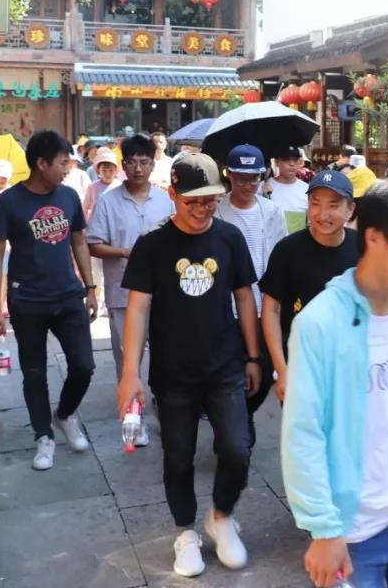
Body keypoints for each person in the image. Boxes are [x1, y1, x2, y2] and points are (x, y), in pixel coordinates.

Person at [282, 177, 388, 588]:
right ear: (375, 236)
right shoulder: (320, 322)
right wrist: (324, 529)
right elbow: (303, 432)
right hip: (355, 530)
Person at [116, 152, 264, 578]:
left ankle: (221, 516)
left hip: (226, 365)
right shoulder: (152, 244)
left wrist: (254, 356)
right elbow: (137, 308)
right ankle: (185, 532)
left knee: (237, 448)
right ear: (172, 194)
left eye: (210, 201)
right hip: (173, 372)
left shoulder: (229, 238)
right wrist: (130, 374)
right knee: (178, 456)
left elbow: (244, 298)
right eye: (192, 201)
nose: (202, 210)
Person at [0, 130, 98, 471]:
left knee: (84, 365)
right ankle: (43, 437)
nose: (67, 169)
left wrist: (90, 287)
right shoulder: (9, 202)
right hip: (27, 300)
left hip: (68, 295)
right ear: (41, 163)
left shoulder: (68, 196)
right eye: (62, 163)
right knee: (34, 373)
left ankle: (64, 414)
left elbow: (79, 242)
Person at [259, 170, 359, 402]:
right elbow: (271, 310)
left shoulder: (362, 248)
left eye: (333, 205)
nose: (322, 214)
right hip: (300, 365)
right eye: (315, 203)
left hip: (348, 368)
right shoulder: (287, 250)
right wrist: (281, 369)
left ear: (351, 209)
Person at [87, 134, 174, 391]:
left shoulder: (165, 201)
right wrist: (124, 252)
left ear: (153, 165)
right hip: (122, 292)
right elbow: (93, 244)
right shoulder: (108, 201)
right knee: (127, 358)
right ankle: (130, 404)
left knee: (167, 352)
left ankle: (163, 399)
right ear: (123, 165)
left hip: (162, 293)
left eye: (144, 162)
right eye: (132, 162)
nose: (138, 169)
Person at [216, 144, 288, 423]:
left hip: (265, 309)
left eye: (253, 178)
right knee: (233, 374)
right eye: (241, 178)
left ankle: (240, 422)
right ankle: (237, 429)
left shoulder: (272, 212)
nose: (247, 185)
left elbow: (281, 255)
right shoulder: (216, 211)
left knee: (264, 373)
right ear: (229, 175)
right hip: (228, 311)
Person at [265, 145, 309, 231]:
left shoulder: (307, 189)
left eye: (295, 159)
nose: (292, 164)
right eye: (286, 159)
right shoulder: (264, 187)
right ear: (276, 162)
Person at [83, 146, 121, 222]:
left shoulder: (120, 186)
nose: (107, 174)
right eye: (104, 170)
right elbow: (85, 208)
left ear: (115, 170)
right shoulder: (92, 187)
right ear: (98, 171)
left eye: (111, 170)